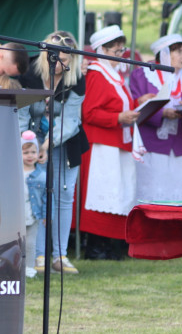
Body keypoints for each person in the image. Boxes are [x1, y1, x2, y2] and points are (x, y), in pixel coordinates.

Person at [18, 31, 87, 274]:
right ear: (46, 54)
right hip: (31, 140)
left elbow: (70, 122)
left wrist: (46, 146)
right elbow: (22, 114)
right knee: (37, 195)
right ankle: (38, 256)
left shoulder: (76, 79)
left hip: (66, 143)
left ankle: (60, 255)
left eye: (66, 60)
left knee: (64, 197)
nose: (60, 64)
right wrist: (29, 147)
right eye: (56, 58)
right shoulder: (30, 74)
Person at [79, 25, 140, 248]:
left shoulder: (112, 74)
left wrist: (139, 104)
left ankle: (115, 243)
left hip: (117, 141)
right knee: (103, 193)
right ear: (102, 50)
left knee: (118, 192)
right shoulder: (97, 74)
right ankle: (98, 245)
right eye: (116, 51)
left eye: (122, 50)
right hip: (102, 144)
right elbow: (89, 112)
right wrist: (117, 118)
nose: (120, 55)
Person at [129, 34, 182, 203]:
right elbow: (134, 107)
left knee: (179, 195)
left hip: (179, 147)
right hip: (151, 146)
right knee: (152, 194)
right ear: (165, 54)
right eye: (178, 52)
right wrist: (162, 113)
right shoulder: (143, 75)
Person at [20, 130, 45, 279]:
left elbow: (48, 198)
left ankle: (29, 267)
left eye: (33, 152)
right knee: (16, 243)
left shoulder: (41, 175)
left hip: (33, 213)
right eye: (26, 152)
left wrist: (47, 215)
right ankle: (15, 267)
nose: (30, 156)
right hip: (17, 214)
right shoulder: (15, 172)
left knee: (30, 243)